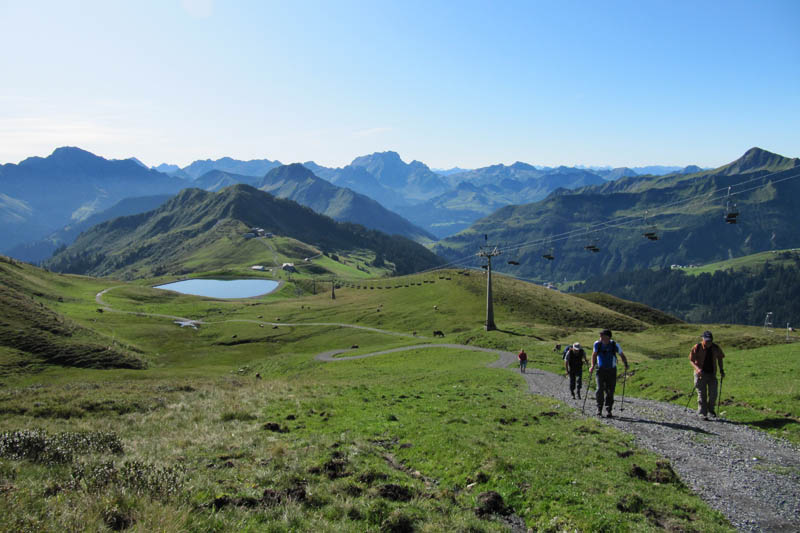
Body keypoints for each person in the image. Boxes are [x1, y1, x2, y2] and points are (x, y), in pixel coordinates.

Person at [589, 329, 628, 418]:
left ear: (608, 337)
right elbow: (594, 355)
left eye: (602, 336)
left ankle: (608, 409)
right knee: (599, 389)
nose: (600, 337)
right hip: (600, 370)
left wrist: (625, 364)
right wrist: (592, 366)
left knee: (610, 391)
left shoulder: (614, 345)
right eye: (600, 336)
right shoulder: (597, 344)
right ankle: (599, 408)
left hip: (612, 370)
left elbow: (622, 355)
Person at [689, 330, 725, 420]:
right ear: (703, 339)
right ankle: (702, 413)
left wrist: (721, 370)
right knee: (702, 394)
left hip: (712, 374)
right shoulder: (697, 347)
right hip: (700, 374)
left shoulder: (716, 348)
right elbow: (691, 360)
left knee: (713, 394)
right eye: (706, 340)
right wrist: (697, 369)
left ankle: (711, 410)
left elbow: (720, 358)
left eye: (710, 340)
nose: (708, 342)